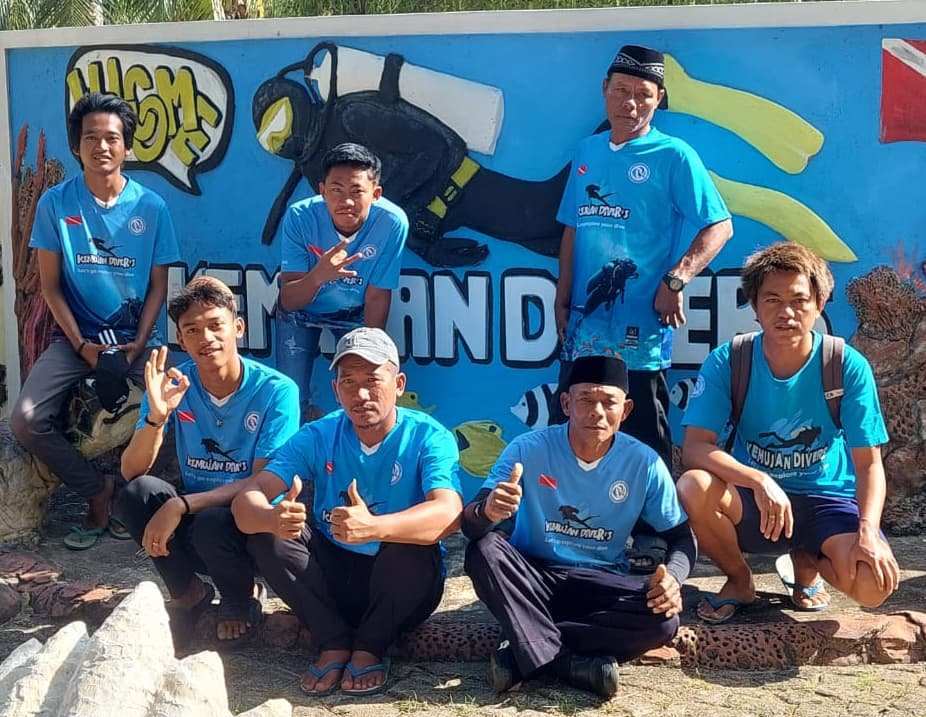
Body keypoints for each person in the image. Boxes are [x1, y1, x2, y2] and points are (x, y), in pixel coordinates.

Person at [552, 44, 732, 572]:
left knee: (644, 432)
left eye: (643, 95)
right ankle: (573, 529)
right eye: (622, 91)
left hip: (642, 330)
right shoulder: (587, 151)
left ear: (658, 101)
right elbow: (572, 228)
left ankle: (656, 535)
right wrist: (562, 293)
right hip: (584, 326)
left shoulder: (674, 156)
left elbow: (720, 225)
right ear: (605, 91)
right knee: (576, 423)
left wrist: (677, 278)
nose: (631, 103)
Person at [232, 327, 462, 697]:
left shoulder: (429, 437)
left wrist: (376, 527)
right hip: (336, 574)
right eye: (349, 382)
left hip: (400, 585)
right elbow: (248, 499)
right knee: (266, 536)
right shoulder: (318, 434)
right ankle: (333, 641)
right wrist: (271, 518)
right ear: (336, 389)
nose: (361, 394)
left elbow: (449, 513)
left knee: (412, 546)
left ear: (399, 384)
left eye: (373, 380)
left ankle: (371, 647)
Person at [677, 243, 899, 624]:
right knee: (693, 486)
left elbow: (869, 464)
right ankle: (740, 580)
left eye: (799, 300)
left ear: (819, 303)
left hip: (827, 500)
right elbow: (695, 449)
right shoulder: (730, 360)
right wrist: (759, 480)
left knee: (874, 585)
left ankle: (807, 560)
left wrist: (867, 532)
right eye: (773, 300)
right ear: (754, 305)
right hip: (754, 502)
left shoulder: (844, 365)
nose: (786, 312)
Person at [463, 355, 695, 698]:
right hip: (532, 577)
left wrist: (673, 579)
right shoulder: (527, 449)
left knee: (664, 620)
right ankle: (568, 663)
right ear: (566, 404)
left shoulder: (644, 463)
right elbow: (470, 525)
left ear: (626, 410)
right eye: (585, 399)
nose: (596, 412)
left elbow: (682, 538)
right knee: (484, 550)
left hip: (599, 582)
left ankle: (524, 645)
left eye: (609, 402)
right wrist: (488, 511)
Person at [11, 92, 181, 550]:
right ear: (76, 145)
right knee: (25, 420)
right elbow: (50, 287)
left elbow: (158, 288)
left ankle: (134, 499)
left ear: (127, 146)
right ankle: (96, 491)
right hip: (74, 339)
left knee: (176, 405)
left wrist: (138, 343)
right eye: (91, 138)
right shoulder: (55, 204)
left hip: (137, 340)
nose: (101, 147)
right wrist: (83, 345)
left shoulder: (152, 208)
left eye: (112, 138)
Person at [116, 277, 300, 646]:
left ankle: (241, 597)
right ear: (181, 339)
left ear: (238, 327)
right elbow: (131, 471)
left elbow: (263, 482)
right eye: (192, 330)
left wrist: (182, 505)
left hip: (254, 529)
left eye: (216, 325)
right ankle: (189, 594)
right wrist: (156, 417)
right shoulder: (175, 384)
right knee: (137, 494)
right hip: (198, 522)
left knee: (214, 521)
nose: (206, 338)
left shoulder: (277, 391)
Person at [275, 142, 408, 419]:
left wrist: (370, 353)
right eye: (336, 190)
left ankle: (351, 446)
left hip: (355, 314)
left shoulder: (392, 223)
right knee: (290, 398)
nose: (346, 202)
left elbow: (377, 296)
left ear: (376, 193)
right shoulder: (300, 217)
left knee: (360, 397)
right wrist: (319, 276)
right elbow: (288, 300)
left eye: (357, 191)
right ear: (322, 191)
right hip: (301, 313)